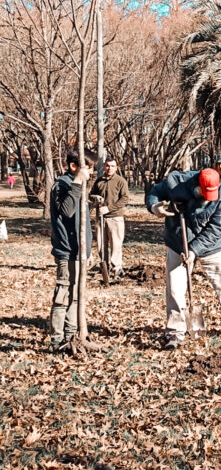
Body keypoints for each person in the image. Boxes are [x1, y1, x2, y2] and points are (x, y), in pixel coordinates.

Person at [146, 168, 221, 350]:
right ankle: (175, 331)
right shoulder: (176, 182)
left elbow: (215, 230)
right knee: (175, 288)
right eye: (205, 193)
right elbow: (156, 192)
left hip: (213, 246)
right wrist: (154, 207)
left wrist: (193, 250)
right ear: (196, 184)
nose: (208, 198)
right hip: (178, 241)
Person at [49, 149, 97, 352]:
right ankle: (57, 341)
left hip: (80, 251)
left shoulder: (80, 185)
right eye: (89, 168)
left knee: (75, 295)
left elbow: (82, 222)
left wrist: (88, 251)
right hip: (66, 251)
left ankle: (72, 336)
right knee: (63, 295)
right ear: (73, 167)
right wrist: (77, 181)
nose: (92, 173)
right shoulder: (62, 184)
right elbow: (67, 211)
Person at [90, 156, 130, 280]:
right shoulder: (99, 181)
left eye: (112, 166)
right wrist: (95, 198)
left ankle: (117, 269)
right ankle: (104, 268)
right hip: (100, 217)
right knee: (101, 244)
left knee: (116, 245)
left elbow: (125, 198)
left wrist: (109, 208)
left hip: (115, 218)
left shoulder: (120, 181)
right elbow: (91, 195)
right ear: (104, 167)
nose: (109, 168)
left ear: (116, 167)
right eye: (107, 165)